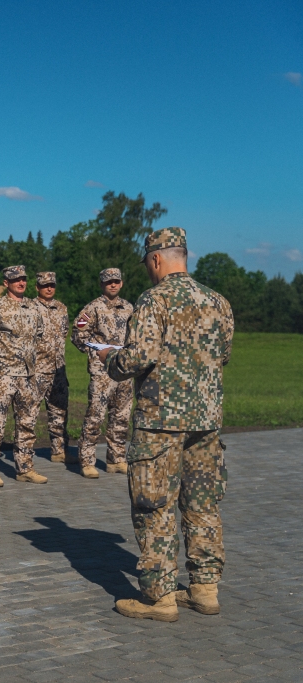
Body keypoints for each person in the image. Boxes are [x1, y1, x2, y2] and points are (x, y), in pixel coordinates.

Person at [100, 227, 234, 622]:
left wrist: (111, 358)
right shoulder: (218, 301)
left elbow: (138, 357)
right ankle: (205, 589)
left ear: (156, 259)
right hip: (207, 421)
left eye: (146, 264)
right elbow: (222, 355)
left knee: (154, 505)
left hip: (160, 423)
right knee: (202, 504)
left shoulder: (153, 300)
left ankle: (159, 598)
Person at [0, 265, 47, 487]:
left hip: (27, 377)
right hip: (3, 377)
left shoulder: (34, 308)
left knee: (27, 423)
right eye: (16, 280)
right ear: (6, 283)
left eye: (23, 279)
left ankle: (25, 468)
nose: (21, 283)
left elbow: (39, 335)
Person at [71, 268, 134, 478]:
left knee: (122, 416)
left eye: (116, 281)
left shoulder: (129, 308)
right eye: (109, 282)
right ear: (102, 285)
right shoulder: (93, 308)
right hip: (102, 372)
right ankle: (87, 460)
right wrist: (96, 353)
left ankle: (116, 459)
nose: (113, 285)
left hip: (124, 370)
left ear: (121, 283)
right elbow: (78, 336)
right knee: (95, 416)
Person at [32, 272, 70, 463]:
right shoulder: (30, 308)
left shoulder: (62, 308)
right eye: (45, 285)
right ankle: (25, 453)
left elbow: (64, 333)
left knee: (59, 412)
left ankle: (59, 451)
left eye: (52, 285)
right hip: (37, 370)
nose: (49, 288)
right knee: (29, 414)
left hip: (58, 370)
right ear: (37, 287)